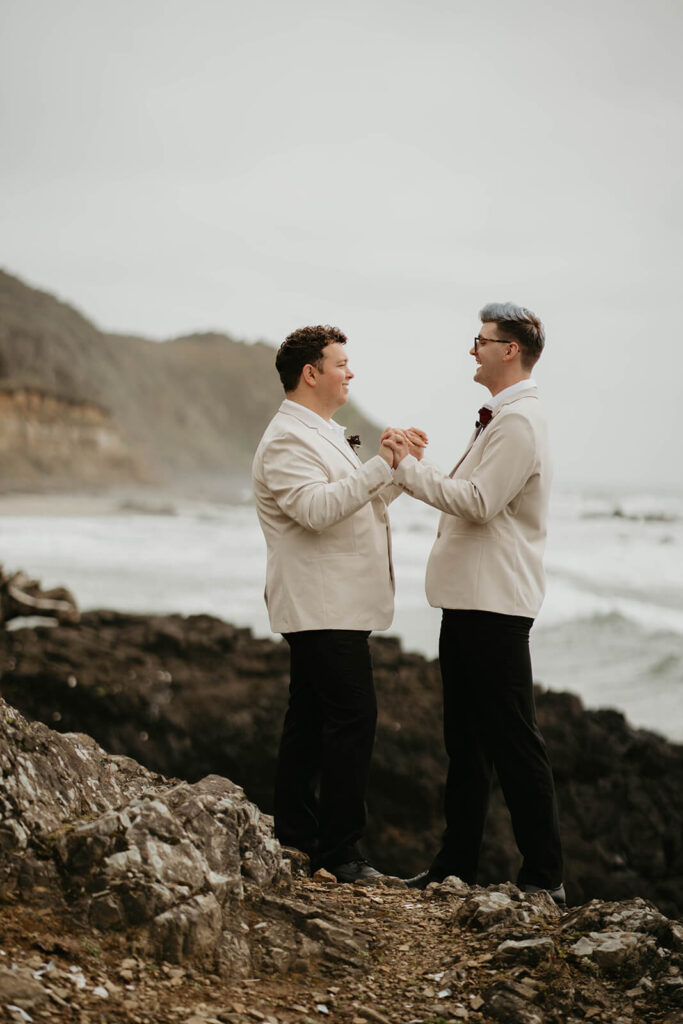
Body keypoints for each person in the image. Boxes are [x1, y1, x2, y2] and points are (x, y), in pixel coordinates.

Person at [383, 302, 565, 908]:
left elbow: (480, 502)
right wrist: (421, 467)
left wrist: (410, 470)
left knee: (514, 740)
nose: (472, 349)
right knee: (465, 742)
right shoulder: (498, 418)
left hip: (494, 605)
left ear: (509, 349)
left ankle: (545, 876)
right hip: (468, 601)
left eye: (481, 340)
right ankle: (453, 864)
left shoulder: (518, 423)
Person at [252, 324, 426, 883]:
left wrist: (397, 468)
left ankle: (298, 841)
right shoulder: (286, 439)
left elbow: (357, 505)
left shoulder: (321, 430)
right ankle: (342, 854)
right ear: (311, 373)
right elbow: (317, 510)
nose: (350, 372)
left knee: (307, 721)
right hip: (321, 606)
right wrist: (379, 465)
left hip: (333, 604)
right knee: (354, 719)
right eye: (342, 363)